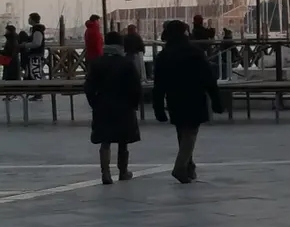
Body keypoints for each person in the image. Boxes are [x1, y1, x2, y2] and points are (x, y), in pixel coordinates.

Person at [151, 18, 223, 182]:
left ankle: (189, 166)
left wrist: (158, 108)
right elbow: (208, 78)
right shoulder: (195, 53)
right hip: (194, 96)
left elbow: (158, 85)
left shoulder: (163, 56)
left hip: (174, 97)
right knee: (190, 132)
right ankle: (180, 167)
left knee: (181, 131)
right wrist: (216, 100)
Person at [84, 30, 142, 185]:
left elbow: (89, 86)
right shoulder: (126, 63)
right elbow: (135, 87)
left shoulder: (97, 63)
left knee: (105, 140)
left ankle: (105, 173)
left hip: (103, 105)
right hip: (124, 106)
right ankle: (123, 171)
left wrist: (94, 103)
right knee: (123, 140)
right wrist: (134, 104)